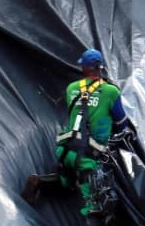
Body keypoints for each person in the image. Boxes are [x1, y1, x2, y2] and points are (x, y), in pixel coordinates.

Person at [23, 49, 134, 222]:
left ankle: (39, 182)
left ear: (84, 68)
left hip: (65, 148)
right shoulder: (111, 92)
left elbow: (80, 112)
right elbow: (121, 123)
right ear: (101, 68)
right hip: (89, 154)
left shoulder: (72, 88)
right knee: (96, 205)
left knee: (67, 183)